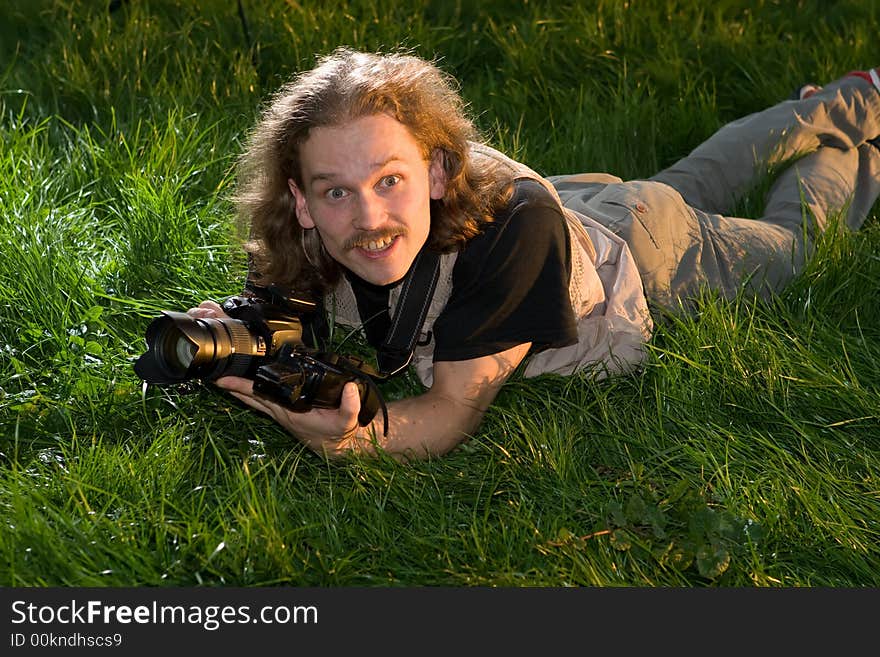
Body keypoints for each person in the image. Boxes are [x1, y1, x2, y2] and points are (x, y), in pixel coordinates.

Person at [188, 47, 880, 461]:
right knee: (692, 178)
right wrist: (233, 335)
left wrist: (354, 439)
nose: (368, 219)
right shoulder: (298, 232)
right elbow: (281, 310)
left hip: (649, 258)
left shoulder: (509, 234)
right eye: (336, 192)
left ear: (435, 171)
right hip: (588, 211)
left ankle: (854, 138)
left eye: (388, 180)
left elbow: (452, 408)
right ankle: (838, 103)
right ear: (301, 200)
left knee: (796, 248)